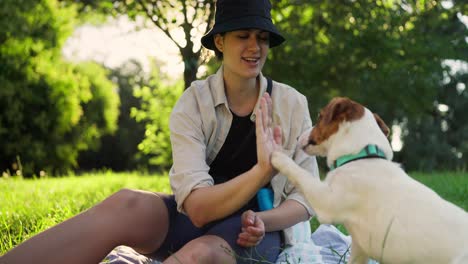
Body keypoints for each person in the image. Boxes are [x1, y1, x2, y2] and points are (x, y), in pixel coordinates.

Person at [0, 0, 319, 263]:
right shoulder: (194, 103)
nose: (255, 47)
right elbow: (195, 209)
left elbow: (306, 197)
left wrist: (264, 220)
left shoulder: (291, 104)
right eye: (243, 36)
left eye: (262, 37)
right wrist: (262, 171)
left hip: (251, 232)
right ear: (220, 41)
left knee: (198, 256)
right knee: (126, 203)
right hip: (193, 220)